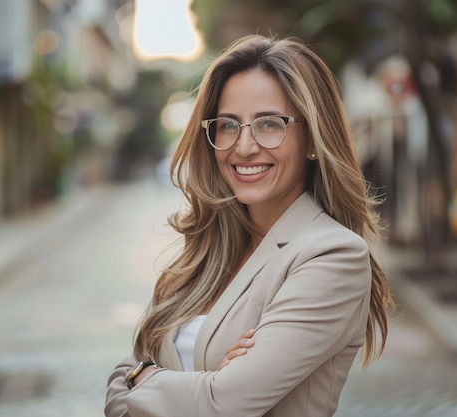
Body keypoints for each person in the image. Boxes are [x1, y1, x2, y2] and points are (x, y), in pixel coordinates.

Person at [105, 35, 393, 417]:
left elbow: (224, 404)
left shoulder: (333, 255)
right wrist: (204, 382)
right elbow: (115, 388)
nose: (243, 147)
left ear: (312, 139)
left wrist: (146, 380)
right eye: (228, 125)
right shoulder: (207, 251)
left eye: (269, 124)